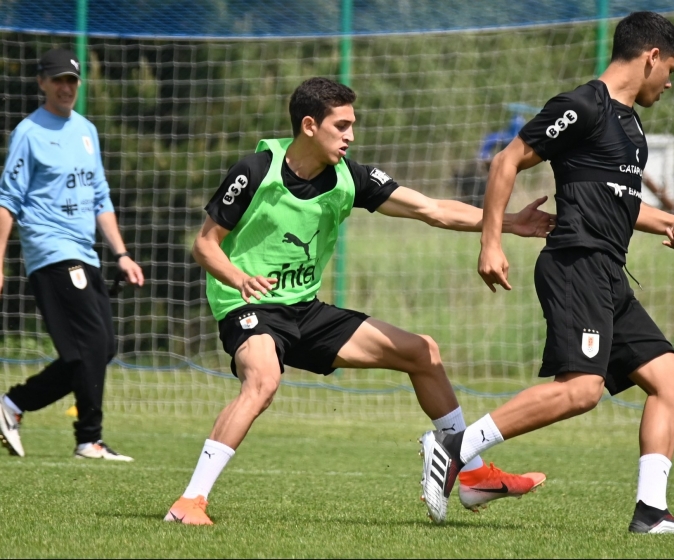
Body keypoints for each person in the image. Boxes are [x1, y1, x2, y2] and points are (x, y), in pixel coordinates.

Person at [164, 77, 555, 525]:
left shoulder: (349, 176)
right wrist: (239, 278)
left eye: (353, 125)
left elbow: (431, 209)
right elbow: (205, 245)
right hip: (246, 305)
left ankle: (469, 474)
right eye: (342, 125)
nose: (350, 135)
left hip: (304, 309)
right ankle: (190, 502)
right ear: (310, 125)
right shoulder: (255, 171)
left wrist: (506, 223)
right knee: (264, 381)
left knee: (422, 351)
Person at [420, 12, 674, 536]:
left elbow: (617, 200)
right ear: (651, 57)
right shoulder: (582, 106)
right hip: (575, 263)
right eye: (671, 70)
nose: (669, 83)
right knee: (581, 390)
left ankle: (651, 513)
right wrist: (491, 242)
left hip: (608, 271)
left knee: (671, 383)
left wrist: (668, 222)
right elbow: (506, 161)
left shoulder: (630, 124)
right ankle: (456, 447)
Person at [0, 48, 144, 461]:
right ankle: (89, 439)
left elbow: (100, 196)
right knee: (92, 345)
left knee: (100, 349)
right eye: (58, 79)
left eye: (72, 80)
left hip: (87, 253)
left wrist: (122, 254)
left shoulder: (86, 131)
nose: (66, 87)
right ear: (42, 82)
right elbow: (8, 200)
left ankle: (12, 406)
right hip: (50, 250)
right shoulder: (28, 132)